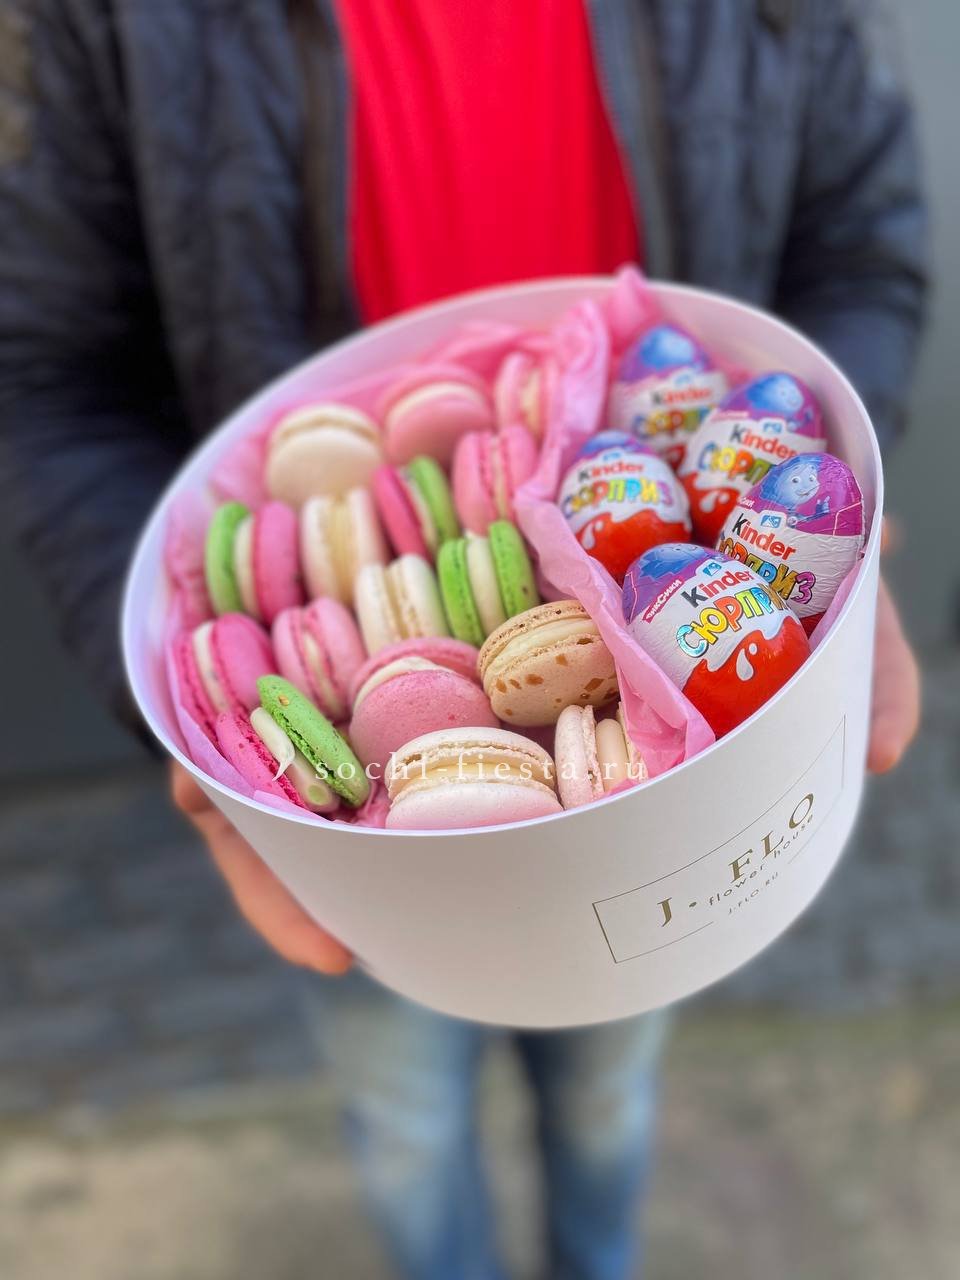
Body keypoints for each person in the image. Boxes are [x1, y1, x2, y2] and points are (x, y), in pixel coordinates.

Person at [0, 3, 924, 1277]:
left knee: (609, 1092)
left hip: (663, 798)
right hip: (351, 840)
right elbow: (48, 372)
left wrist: (823, 534)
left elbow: (863, 252)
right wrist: (190, 722)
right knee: (405, 1126)